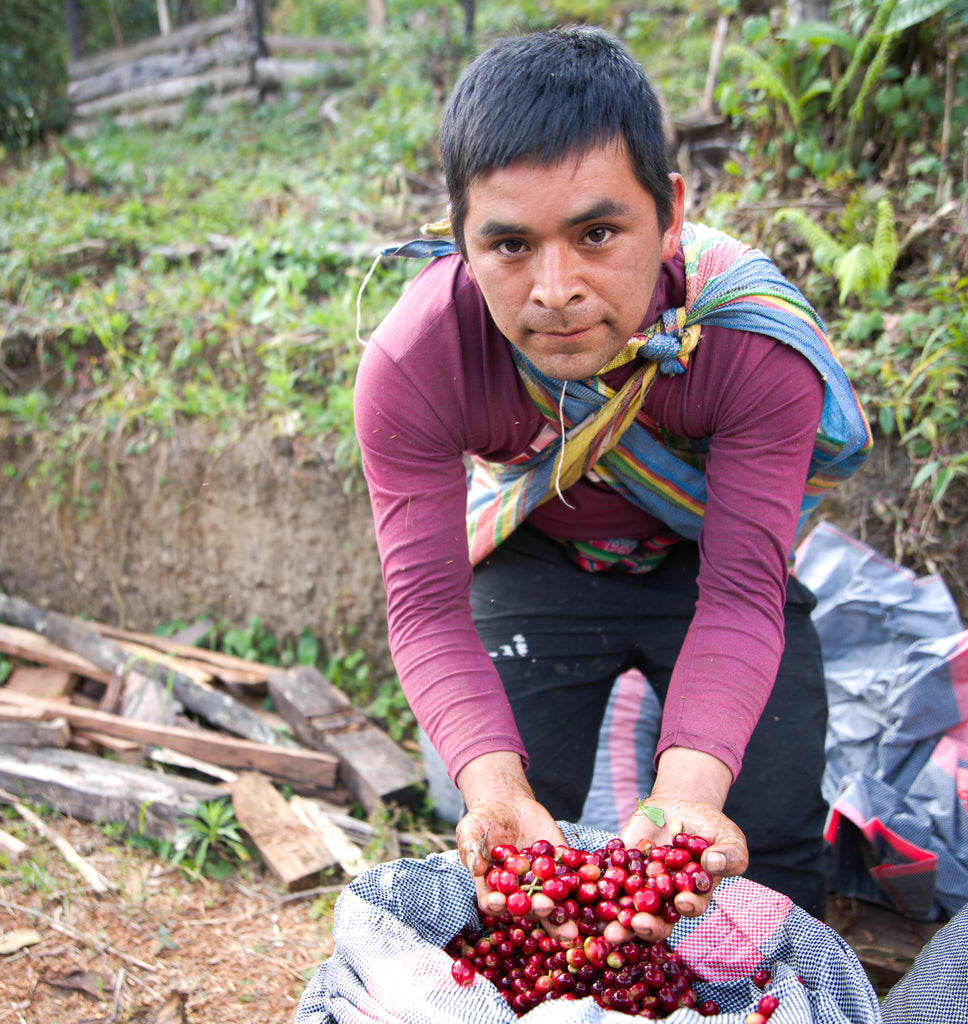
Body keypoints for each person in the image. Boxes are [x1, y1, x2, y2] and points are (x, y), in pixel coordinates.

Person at [354, 25, 871, 941]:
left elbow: (745, 589)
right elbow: (427, 613)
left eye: (598, 233)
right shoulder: (416, 360)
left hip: (705, 562)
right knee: (510, 859)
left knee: (771, 833)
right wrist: (495, 787)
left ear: (669, 211)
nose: (555, 289)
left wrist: (687, 795)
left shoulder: (748, 343)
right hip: (540, 552)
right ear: (459, 240)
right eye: (509, 246)